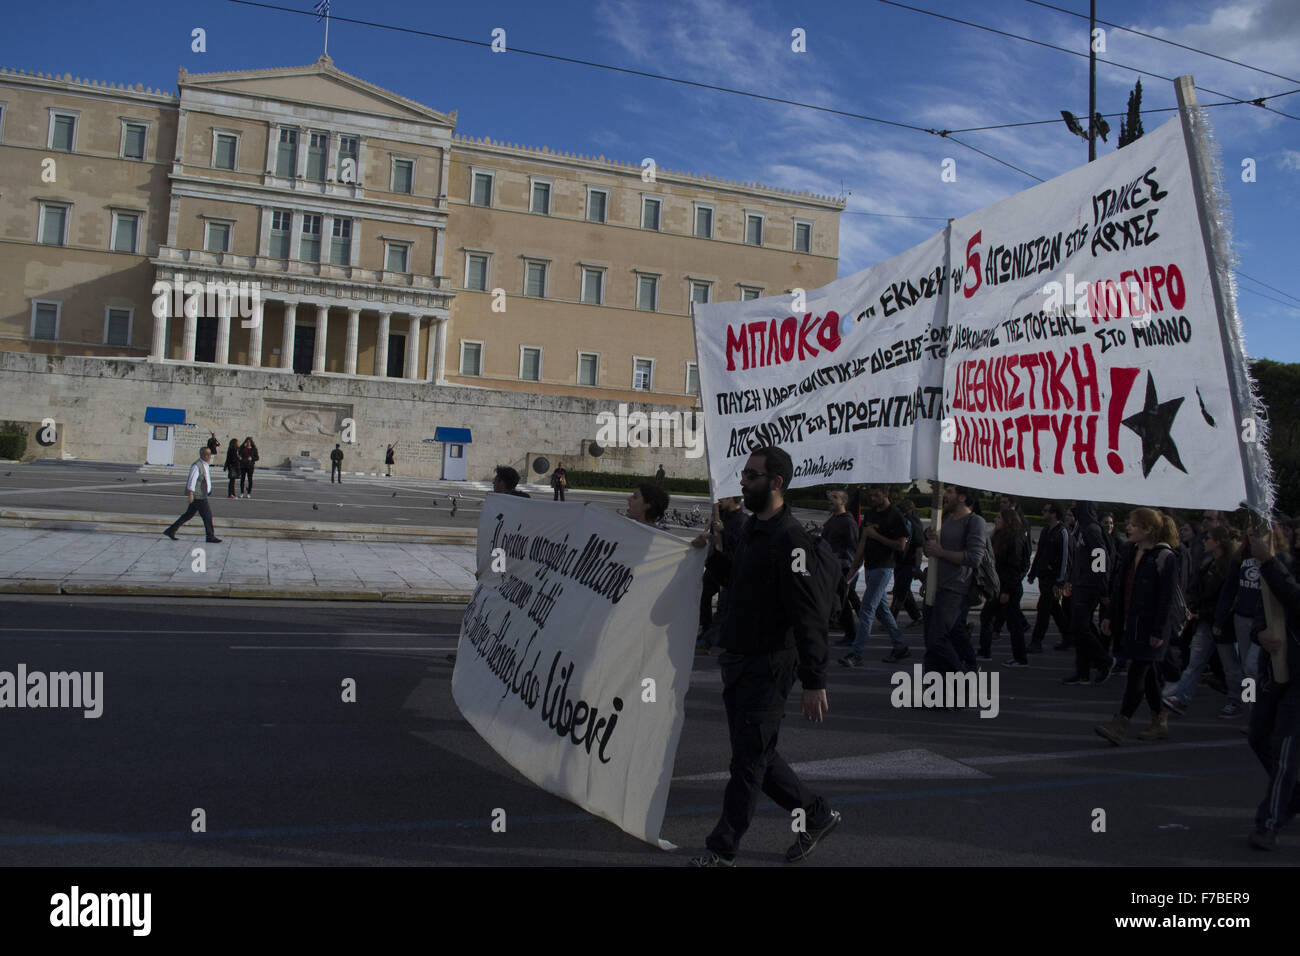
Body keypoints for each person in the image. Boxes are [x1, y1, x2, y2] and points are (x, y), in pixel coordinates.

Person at [690, 446, 839, 867]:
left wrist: (814, 680)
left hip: (770, 663)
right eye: (743, 473)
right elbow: (735, 581)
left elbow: (808, 614)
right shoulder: (753, 529)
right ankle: (817, 815)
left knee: (748, 762)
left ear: (776, 483)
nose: (742, 480)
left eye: (752, 476)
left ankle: (721, 850)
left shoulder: (790, 540)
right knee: (757, 754)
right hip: (739, 659)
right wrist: (715, 553)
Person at [1094, 509, 1179, 744]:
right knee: (1148, 674)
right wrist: (1110, 616)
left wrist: (1159, 631)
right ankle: (1160, 717)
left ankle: (1120, 723)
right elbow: (1120, 588)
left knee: (1137, 673)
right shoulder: (1130, 551)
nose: (1128, 528)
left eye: (1134, 525)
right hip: (1131, 624)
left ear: (1149, 529)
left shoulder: (1165, 557)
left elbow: (1166, 599)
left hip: (1150, 627)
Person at [1245, 520, 1300, 850]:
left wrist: (1269, 562)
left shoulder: (1278, 566)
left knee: (1285, 750)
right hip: (1275, 670)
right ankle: (1292, 795)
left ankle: (1269, 822)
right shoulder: (1282, 564)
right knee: (1258, 738)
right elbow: (1263, 613)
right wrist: (1259, 634)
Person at [1162, 525, 1241, 715]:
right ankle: (1181, 698)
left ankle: (1242, 702)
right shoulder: (1208, 563)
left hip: (1223, 623)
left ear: (1219, 542)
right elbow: (1198, 589)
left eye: (1208, 539)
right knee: (1195, 661)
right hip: (1206, 620)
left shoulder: (1230, 566)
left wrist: (1214, 618)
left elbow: (1227, 597)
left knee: (1236, 668)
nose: (1204, 542)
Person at [921, 485, 986, 675]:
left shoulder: (975, 522)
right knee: (930, 643)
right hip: (935, 588)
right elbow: (930, 552)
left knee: (938, 639)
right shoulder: (945, 519)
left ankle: (963, 679)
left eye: (949, 491)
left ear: (962, 497)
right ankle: (934, 694)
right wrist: (929, 540)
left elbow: (974, 558)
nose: (945, 495)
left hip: (954, 589)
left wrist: (942, 552)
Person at [841, 485, 909, 666]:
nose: (873, 498)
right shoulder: (871, 514)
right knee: (881, 610)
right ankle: (900, 645)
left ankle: (857, 653)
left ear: (886, 494)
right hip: (870, 566)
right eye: (871, 495)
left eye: (877, 495)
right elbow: (863, 541)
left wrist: (877, 536)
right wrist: (853, 569)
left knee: (867, 608)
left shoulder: (895, 515)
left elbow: (901, 545)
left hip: (884, 567)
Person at [1060, 502, 1115, 685]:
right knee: (1080, 629)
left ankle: (1104, 661)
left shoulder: (1091, 529)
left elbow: (1100, 557)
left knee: (1081, 627)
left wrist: (1101, 586)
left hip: (1088, 586)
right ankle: (1083, 671)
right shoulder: (1083, 528)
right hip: (1081, 584)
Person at [978, 509, 1031, 667]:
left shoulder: (1014, 539)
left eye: (999, 517)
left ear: (1008, 520)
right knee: (988, 616)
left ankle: (1020, 658)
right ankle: (985, 651)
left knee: (1012, 623)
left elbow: (1014, 566)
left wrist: (1007, 590)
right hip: (1000, 584)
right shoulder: (1000, 536)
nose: (996, 519)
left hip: (1008, 587)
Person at [698, 497, 746, 644]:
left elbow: (740, 544)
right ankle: (706, 628)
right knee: (703, 593)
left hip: (730, 568)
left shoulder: (743, 520)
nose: (719, 499)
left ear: (732, 498)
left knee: (724, 606)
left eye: (723, 496)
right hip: (716, 565)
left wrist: (723, 531)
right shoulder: (720, 515)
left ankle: (712, 639)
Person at [1027, 501, 1071, 653]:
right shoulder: (1046, 531)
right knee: (1054, 608)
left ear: (1054, 513)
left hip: (1055, 580)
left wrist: (1061, 580)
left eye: (1046, 511)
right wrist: (1033, 573)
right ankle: (1068, 636)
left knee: (1044, 608)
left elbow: (1066, 557)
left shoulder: (1062, 532)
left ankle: (1036, 641)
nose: (1043, 513)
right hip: (1044, 577)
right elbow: (1040, 554)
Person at [822, 490, 861, 646]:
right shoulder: (832, 520)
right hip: (830, 566)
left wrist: (849, 568)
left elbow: (853, 547)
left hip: (843, 568)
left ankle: (852, 634)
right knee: (840, 600)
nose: (831, 500)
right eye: (830, 498)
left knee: (843, 602)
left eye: (835, 498)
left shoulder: (848, 522)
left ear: (843, 502)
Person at [162, 446, 221, 543]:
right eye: (208, 454)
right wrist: (191, 494)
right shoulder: (196, 465)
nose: (210, 456)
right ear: (203, 455)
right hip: (198, 495)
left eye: (210, 454)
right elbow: (192, 481)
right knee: (207, 516)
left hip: (202, 494)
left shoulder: (205, 464)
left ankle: (170, 530)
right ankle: (210, 536)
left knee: (188, 515)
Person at [890, 498, 924, 625]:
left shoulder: (911, 524)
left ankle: (891, 619)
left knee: (899, 591)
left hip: (907, 562)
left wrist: (917, 566)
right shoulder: (914, 522)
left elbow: (919, 547)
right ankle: (916, 617)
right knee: (904, 591)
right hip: (905, 562)